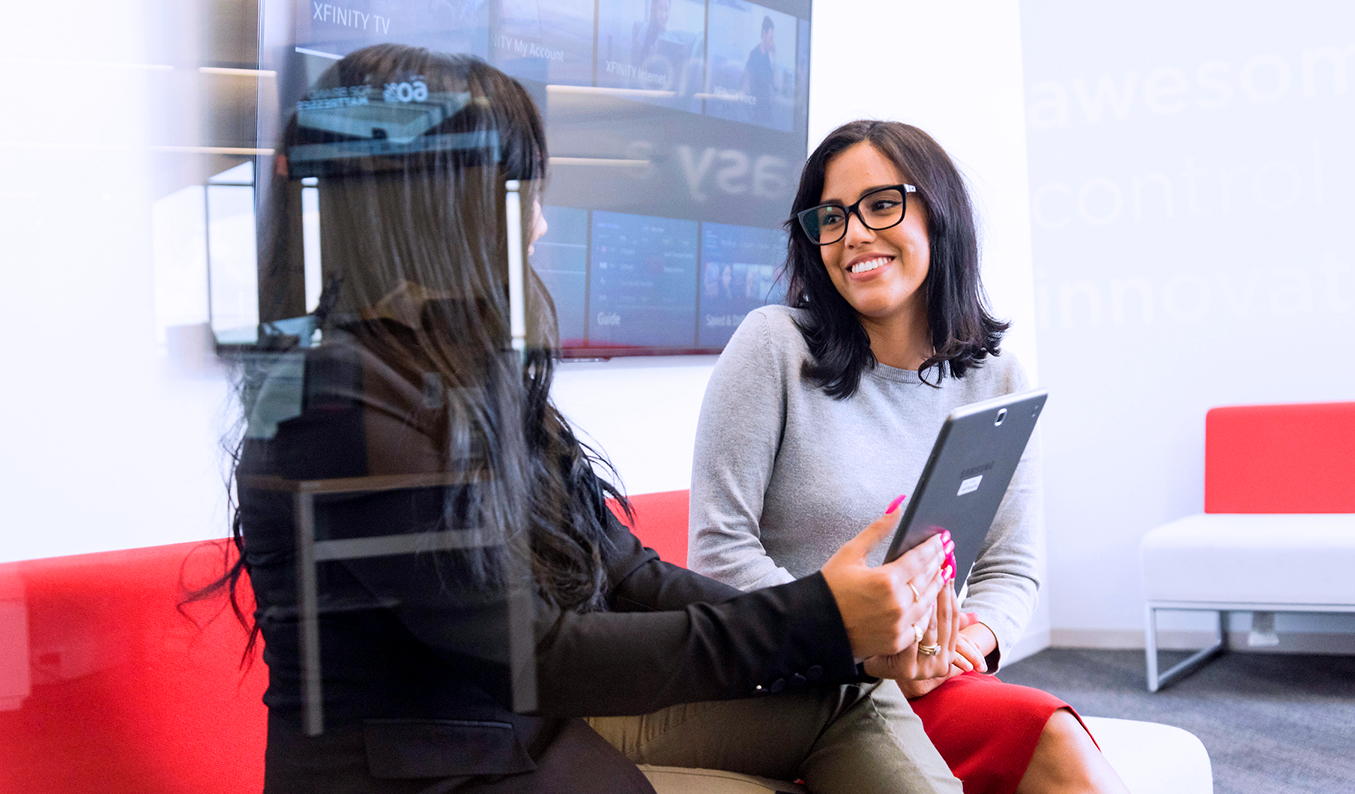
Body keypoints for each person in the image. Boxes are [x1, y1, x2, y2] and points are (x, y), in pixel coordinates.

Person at [219, 46, 970, 794]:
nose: (540, 226)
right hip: (443, 774)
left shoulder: (459, 376)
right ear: (435, 201)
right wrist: (816, 620)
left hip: (525, 746)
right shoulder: (335, 407)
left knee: (849, 695)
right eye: (521, 193)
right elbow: (534, 657)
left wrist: (836, 631)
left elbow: (625, 572)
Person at [688, 120, 1130, 794]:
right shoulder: (772, 345)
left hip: (928, 678)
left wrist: (960, 647)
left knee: (1056, 739)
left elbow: (1010, 566)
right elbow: (718, 551)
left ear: (938, 213)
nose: (854, 234)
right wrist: (857, 642)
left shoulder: (996, 375)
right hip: (798, 683)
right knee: (1054, 741)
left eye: (881, 204)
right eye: (830, 217)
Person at [742, 16, 775, 125]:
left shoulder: (767, 57)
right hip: (756, 112)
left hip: (766, 109)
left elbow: (772, 82)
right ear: (764, 34)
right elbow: (746, 83)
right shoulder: (754, 55)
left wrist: (774, 57)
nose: (772, 42)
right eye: (770, 38)